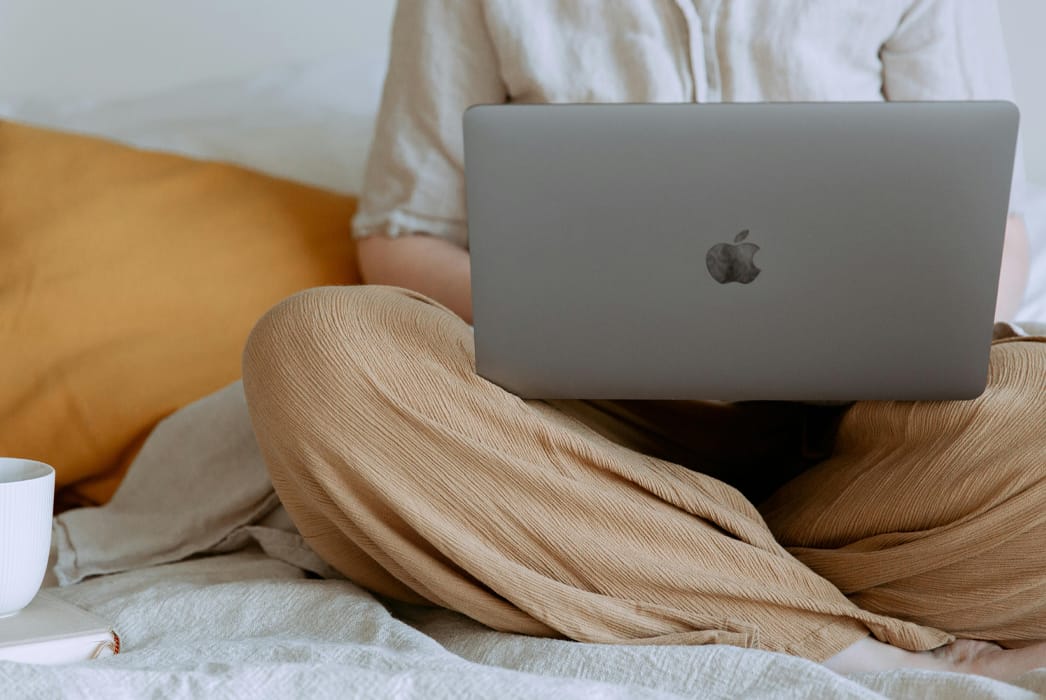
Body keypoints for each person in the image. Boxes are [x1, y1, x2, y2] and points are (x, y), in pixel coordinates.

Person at [242, 0, 1046, 680]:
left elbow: (990, 223)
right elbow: (404, 234)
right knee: (316, 346)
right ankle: (840, 640)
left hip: (865, 443)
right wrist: (572, 318)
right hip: (578, 429)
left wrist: (918, 339)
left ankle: (634, 562)